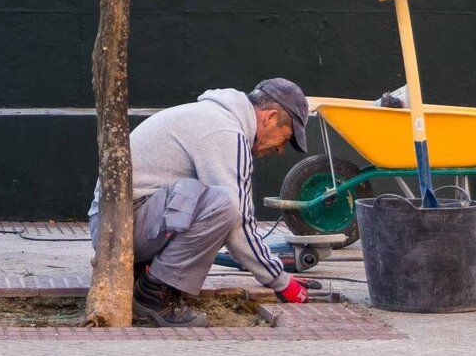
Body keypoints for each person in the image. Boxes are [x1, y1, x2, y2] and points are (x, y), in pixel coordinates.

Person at [89, 78, 313, 326]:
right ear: (270, 117)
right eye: (286, 136)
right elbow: (239, 221)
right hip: (122, 228)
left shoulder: (214, 116)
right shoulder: (226, 132)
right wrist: (281, 281)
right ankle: (154, 295)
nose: (281, 149)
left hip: (117, 224)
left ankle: (144, 275)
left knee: (213, 201)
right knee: (224, 204)